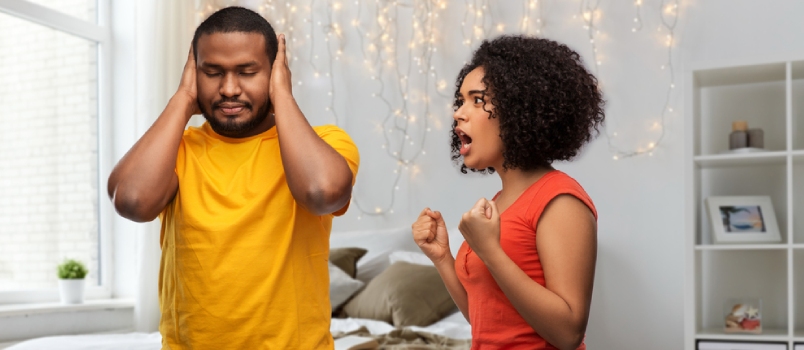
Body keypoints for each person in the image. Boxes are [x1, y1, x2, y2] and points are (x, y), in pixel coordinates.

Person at [107, 7, 359, 349]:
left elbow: (323, 193)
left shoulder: (327, 142)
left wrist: (282, 96)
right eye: (212, 73)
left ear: (275, 73)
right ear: (194, 74)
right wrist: (182, 100)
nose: (228, 89)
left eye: (247, 72)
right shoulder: (178, 150)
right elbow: (132, 201)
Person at [412, 35, 604, 350]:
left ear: (519, 108)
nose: (459, 113)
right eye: (460, 101)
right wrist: (442, 258)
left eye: (477, 100)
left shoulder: (561, 199)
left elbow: (568, 333)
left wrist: (489, 251)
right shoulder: (499, 203)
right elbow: (488, 321)